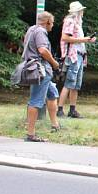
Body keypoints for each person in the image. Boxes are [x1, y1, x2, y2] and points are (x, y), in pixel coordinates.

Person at [23, 12, 61, 142]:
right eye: (52, 22)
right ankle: (31, 134)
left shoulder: (31, 29)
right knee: (36, 100)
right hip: (40, 70)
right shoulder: (41, 32)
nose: (53, 25)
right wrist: (54, 63)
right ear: (47, 22)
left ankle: (55, 124)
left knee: (52, 94)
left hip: (37, 68)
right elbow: (43, 50)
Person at [56, 1, 96, 119]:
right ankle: (60, 109)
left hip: (79, 55)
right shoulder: (70, 21)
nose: (83, 12)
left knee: (76, 85)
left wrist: (87, 40)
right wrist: (84, 40)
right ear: (78, 11)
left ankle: (72, 109)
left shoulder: (77, 22)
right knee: (69, 83)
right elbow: (65, 37)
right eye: (81, 10)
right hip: (73, 56)